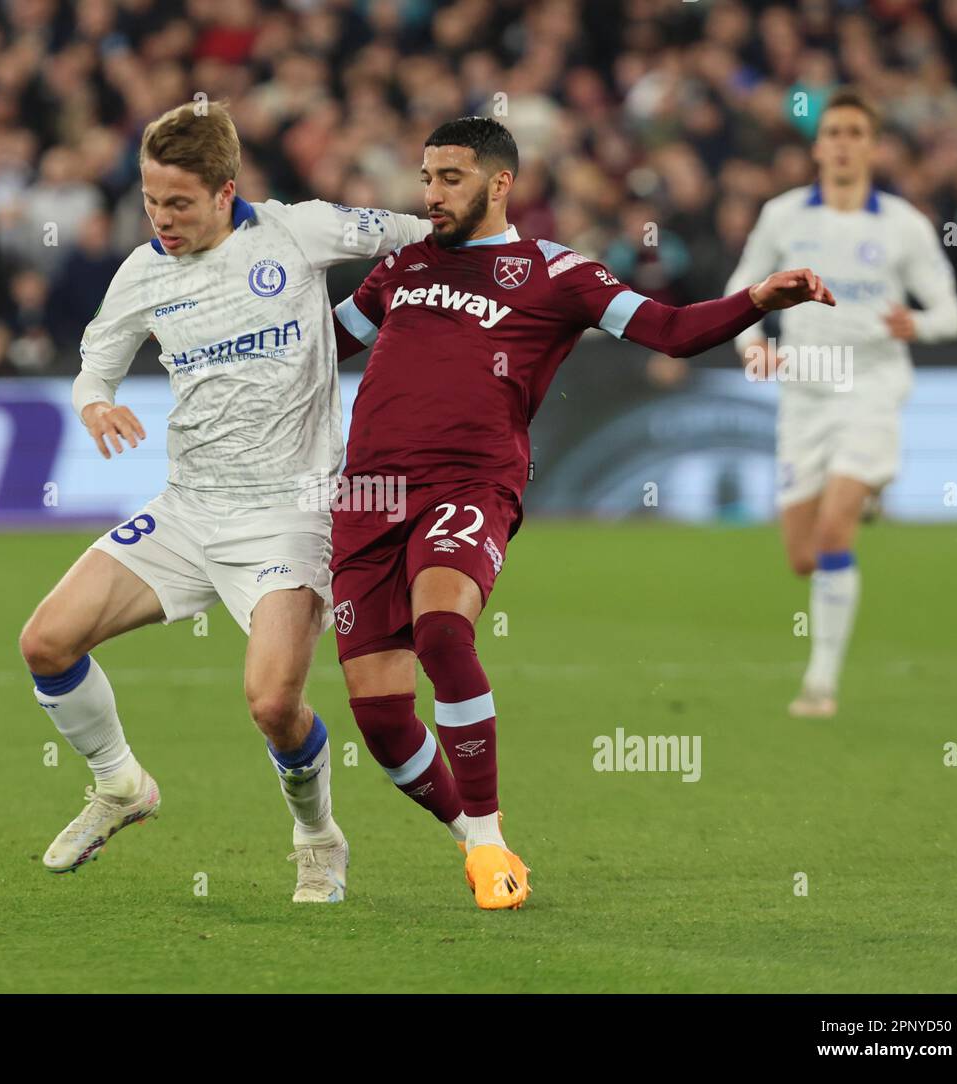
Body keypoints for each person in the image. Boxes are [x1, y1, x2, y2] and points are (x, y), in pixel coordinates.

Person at [330, 116, 834, 909]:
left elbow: (667, 332)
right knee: (384, 721)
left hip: (470, 483)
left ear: (501, 184)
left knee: (441, 631)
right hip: (366, 495)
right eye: (426, 177)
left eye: (450, 178)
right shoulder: (400, 266)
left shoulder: (555, 272)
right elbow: (325, 347)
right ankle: (476, 840)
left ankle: (490, 840)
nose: (431, 194)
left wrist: (756, 300)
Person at [18, 101, 430, 902]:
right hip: (187, 509)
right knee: (46, 643)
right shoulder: (141, 273)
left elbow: (416, 238)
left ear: (224, 191)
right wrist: (94, 403)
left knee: (274, 703)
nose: (161, 219)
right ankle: (120, 786)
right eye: (149, 200)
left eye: (178, 202)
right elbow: (93, 368)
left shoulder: (298, 232)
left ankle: (317, 838)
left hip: (291, 511)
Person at [725, 89, 957, 718]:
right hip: (803, 393)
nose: (843, 142)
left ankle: (820, 685)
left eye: (856, 132)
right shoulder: (782, 216)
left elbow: (950, 313)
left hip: (871, 389)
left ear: (873, 146)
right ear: (817, 145)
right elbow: (741, 288)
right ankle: (868, 494)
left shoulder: (904, 226)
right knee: (804, 557)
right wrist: (752, 346)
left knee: (834, 532)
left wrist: (918, 324)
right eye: (833, 131)